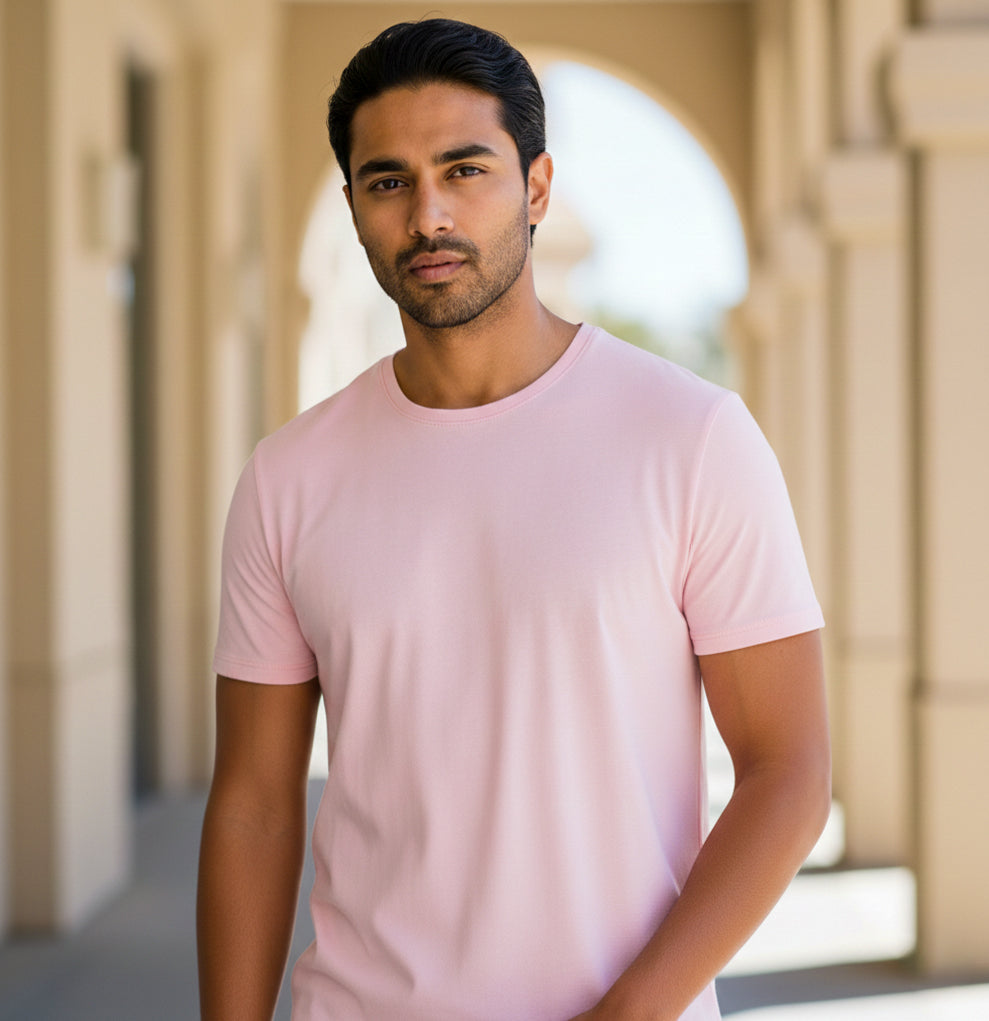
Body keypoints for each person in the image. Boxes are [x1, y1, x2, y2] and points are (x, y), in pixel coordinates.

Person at [197, 18, 831, 1021]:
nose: (428, 214)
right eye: (387, 180)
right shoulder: (289, 476)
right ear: (354, 210)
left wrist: (627, 1014)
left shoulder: (690, 436)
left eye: (465, 169)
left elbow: (787, 772)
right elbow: (255, 805)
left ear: (536, 189)